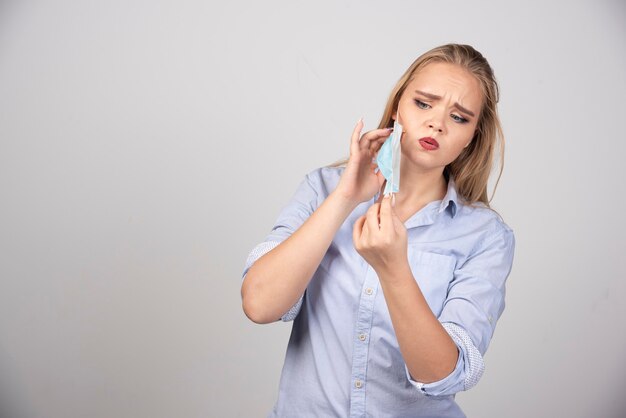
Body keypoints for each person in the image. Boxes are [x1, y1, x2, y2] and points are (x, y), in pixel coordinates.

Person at [240, 43, 516, 418]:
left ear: (472, 136)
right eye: (423, 103)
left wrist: (394, 270)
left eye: (459, 117)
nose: (436, 123)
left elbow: (442, 375)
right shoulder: (322, 189)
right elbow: (259, 305)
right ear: (398, 105)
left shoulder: (485, 236)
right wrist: (345, 198)